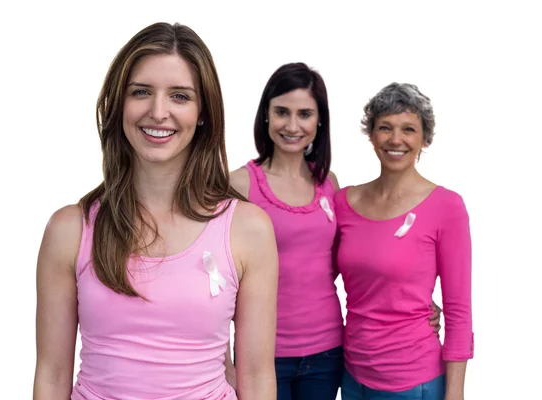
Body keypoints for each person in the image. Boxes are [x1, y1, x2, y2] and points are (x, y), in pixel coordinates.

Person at [33, 22, 278, 400]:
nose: (158, 111)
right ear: (119, 105)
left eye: (179, 96)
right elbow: (51, 375)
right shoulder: (70, 229)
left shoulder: (248, 229)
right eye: (141, 92)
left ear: (202, 113)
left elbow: (258, 376)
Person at [228, 64, 442, 400]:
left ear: (319, 121)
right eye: (282, 112)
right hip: (262, 355)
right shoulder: (238, 185)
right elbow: (218, 276)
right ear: (265, 116)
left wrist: (409, 298)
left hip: (327, 352)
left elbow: (354, 259)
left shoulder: (329, 185)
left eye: (305, 114)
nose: (293, 125)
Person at [334, 83, 474, 400]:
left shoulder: (446, 207)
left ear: (425, 139)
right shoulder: (344, 202)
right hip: (352, 377)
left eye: (408, 129)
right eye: (385, 128)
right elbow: (322, 274)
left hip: (413, 384)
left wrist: (455, 394)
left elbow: (459, 311)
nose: (396, 139)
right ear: (371, 135)